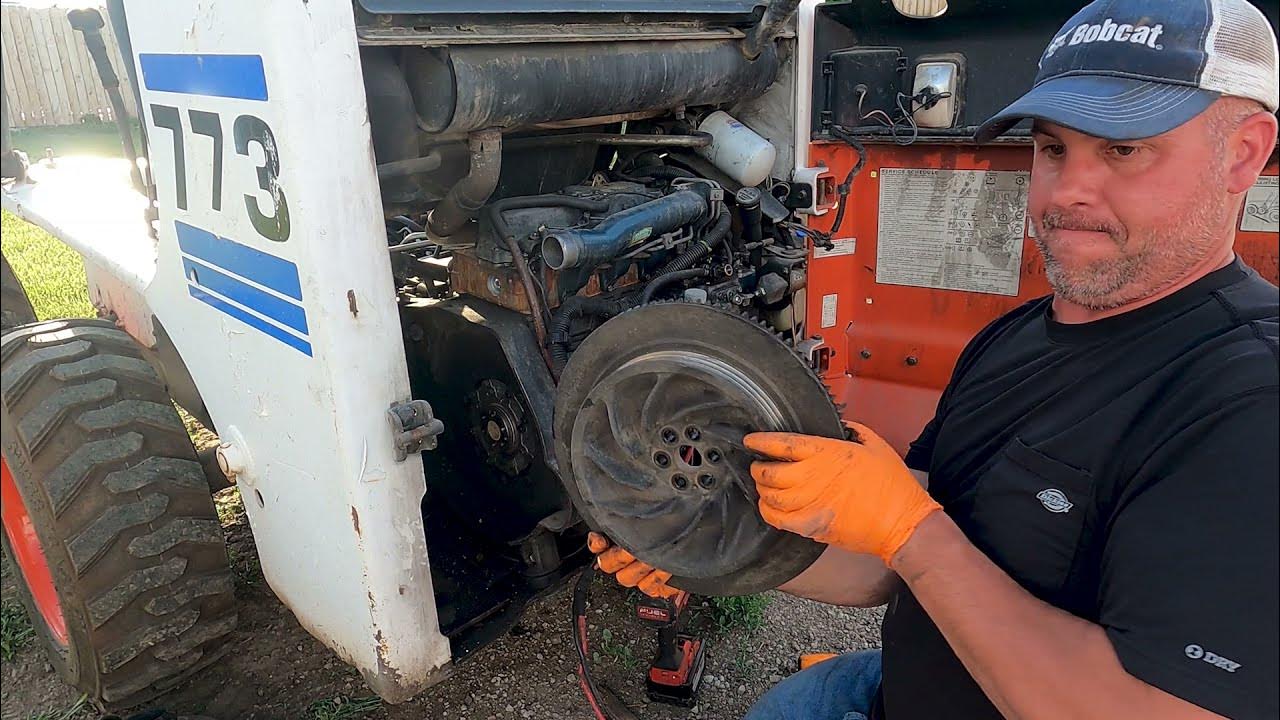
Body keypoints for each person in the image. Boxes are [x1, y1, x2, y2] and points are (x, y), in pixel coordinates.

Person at [588, 0, 1280, 717]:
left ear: (1243, 153)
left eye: (1123, 149)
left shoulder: (1247, 406)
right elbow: (891, 564)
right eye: (1051, 149)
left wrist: (914, 533)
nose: (1067, 192)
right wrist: (711, 546)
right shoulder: (1016, 336)